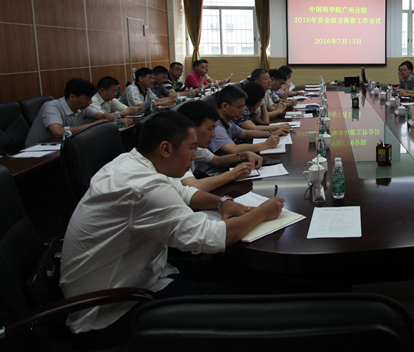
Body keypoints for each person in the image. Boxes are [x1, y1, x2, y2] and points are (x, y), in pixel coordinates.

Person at [59, 111, 285, 345]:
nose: (194, 157)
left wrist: (222, 202)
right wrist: (262, 212)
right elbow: (210, 238)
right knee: (237, 299)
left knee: (239, 273)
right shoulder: (142, 187)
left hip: (143, 273)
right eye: (191, 148)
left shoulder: (133, 162)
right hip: (110, 311)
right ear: (166, 149)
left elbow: (184, 192)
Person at [176, 101, 263, 188]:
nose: (213, 135)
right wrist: (233, 174)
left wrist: (245, 155)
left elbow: (217, 161)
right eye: (210, 129)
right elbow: (195, 186)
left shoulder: (195, 148)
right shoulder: (177, 152)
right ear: (191, 128)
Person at [25, 78, 108, 146]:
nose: (90, 102)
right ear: (72, 97)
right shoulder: (51, 107)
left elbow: (103, 116)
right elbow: (58, 132)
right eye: (87, 99)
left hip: (63, 145)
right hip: (37, 150)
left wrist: (113, 118)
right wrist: (93, 125)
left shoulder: (82, 106)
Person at [208, 86, 281, 155]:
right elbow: (233, 149)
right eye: (240, 107)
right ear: (225, 106)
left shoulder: (228, 121)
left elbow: (245, 133)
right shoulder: (215, 126)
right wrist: (265, 145)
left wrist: (272, 133)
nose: (243, 112)